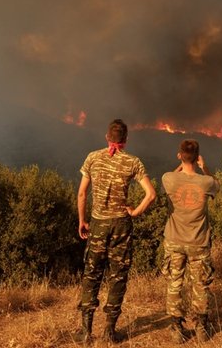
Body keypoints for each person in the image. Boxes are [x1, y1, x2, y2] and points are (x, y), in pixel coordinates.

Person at [75, 119, 156, 344]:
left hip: (98, 224)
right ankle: (110, 332)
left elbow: (82, 194)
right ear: (126, 140)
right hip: (121, 224)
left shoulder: (92, 157)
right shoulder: (133, 162)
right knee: (117, 276)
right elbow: (151, 194)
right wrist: (135, 212)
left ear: (107, 138)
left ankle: (85, 332)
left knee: (92, 275)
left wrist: (82, 220)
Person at [161, 139, 217, 344]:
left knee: (174, 283)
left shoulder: (169, 179)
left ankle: (176, 327)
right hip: (198, 242)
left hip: (174, 240)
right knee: (200, 284)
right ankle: (201, 326)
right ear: (198, 157)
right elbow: (215, 183)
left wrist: (181, 164)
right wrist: (204, 167)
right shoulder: (206, 182)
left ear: (179, 155)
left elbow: (174, 175)